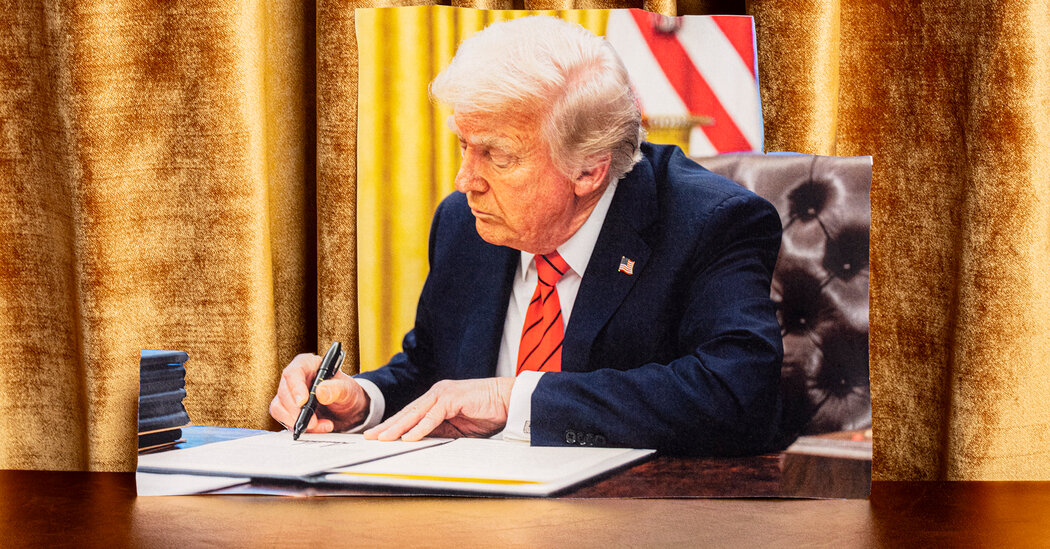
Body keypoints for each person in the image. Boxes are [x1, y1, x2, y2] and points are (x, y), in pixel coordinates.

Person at [270, 15, 783, 456]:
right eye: (464, 145)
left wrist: (514, 399)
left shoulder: (709, 223)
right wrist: (362, 400)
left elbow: (737, 394)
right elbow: (433, 371)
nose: (464, 181)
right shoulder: (464, 224)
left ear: (589, 170)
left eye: (496, 155)